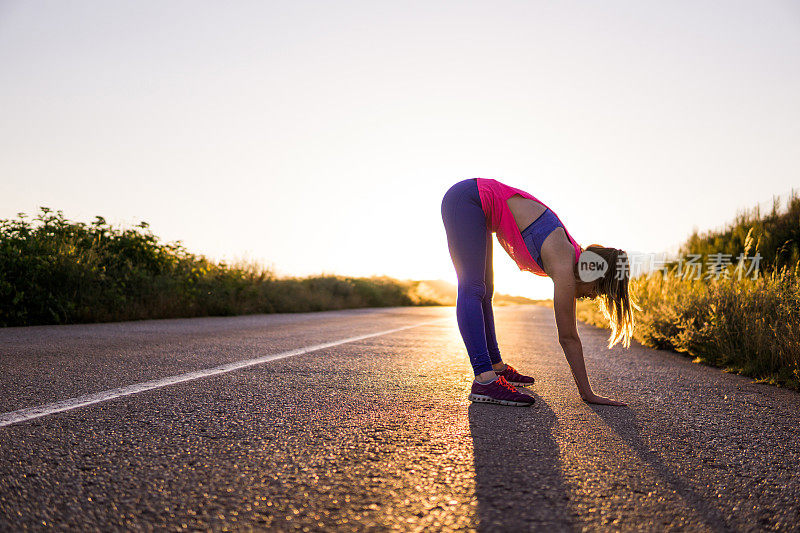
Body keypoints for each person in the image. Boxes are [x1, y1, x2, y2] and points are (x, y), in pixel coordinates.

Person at [440, 177, 636, 407]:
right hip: (467, 200)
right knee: (473, 287)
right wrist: (588, 394)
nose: (592, 297)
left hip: (477, 204)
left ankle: (495, 367)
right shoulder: (564, 263)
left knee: (485, 290)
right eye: (598, 289)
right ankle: (485, 379)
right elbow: (569, 337)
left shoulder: (570, 254)